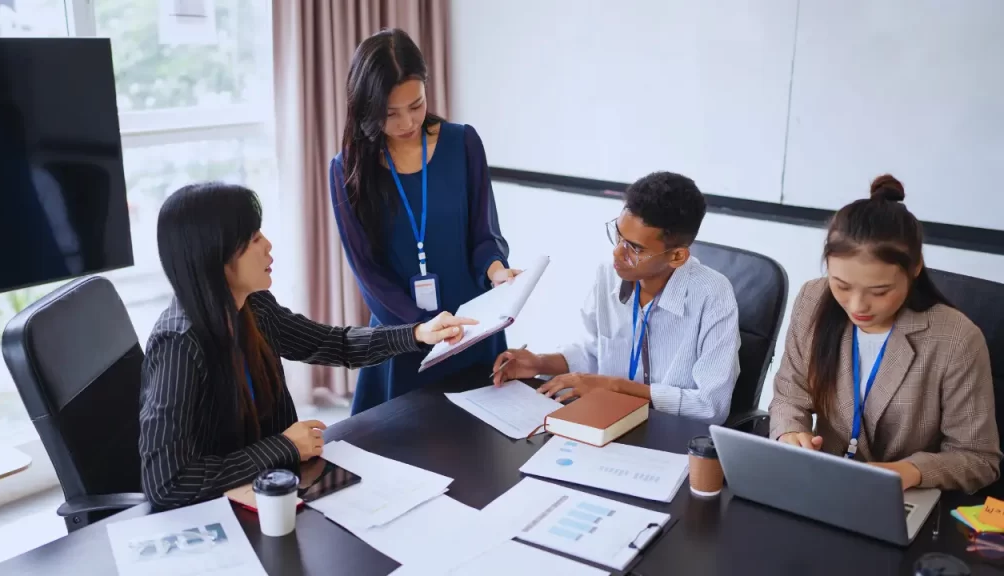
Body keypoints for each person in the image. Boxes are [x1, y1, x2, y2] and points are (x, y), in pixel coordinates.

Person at [139, 182, 476, 510]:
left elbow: (333, 343)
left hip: (274, 493)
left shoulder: (253, 306)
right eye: (254, 238)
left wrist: (418, 333)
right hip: (221, 518)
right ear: (216, 255)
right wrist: (282, 447)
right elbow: (167, 482)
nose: (268, 245)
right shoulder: (179, 345)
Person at [769, 175, 1001, 493]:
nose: (857, 305)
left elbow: (978, 458)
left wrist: (909, 471)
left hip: (902, 497)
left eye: (879, 291)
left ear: (915, 268)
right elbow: (789, 396)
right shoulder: (813, 299)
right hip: (822, 485)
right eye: (842, 285)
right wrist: (790, 433)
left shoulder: (956, 339)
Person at [330, 28, 519, 414]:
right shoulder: (348, 169)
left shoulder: (462, 143)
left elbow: (484, 234)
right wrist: (419, 327)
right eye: (390, 113)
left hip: (470, 326)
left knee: (483, 455)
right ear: (366, 107)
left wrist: (496, 270)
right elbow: (368, 272)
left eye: (415, 105)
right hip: (402, 335)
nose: (407, 122)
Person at [492, 171, 741, 425]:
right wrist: (538, 363)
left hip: (672, 434)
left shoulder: (713, 295)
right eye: (619, 235)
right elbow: (590, 354)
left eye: (635, 248)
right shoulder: (608, 275)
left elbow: (711, 407)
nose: (617, 253)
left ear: (677, 256)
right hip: (607, 421)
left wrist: (614, 387)